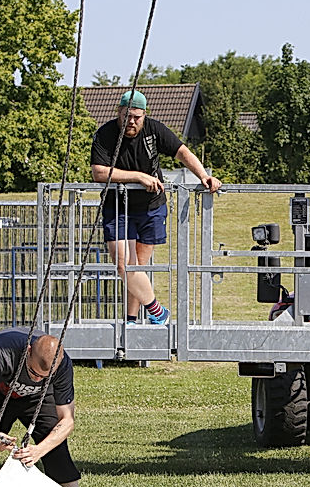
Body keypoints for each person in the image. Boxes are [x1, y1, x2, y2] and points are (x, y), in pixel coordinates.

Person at [90, 90, 222, 324]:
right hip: (117, 206)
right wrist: (139, 177)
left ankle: (131, 319)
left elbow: (182, 152)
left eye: (137, 117)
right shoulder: (105, 134)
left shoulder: (154, 130)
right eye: (126, 116)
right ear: (118, 112)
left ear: (144, 116)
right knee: (123, 264)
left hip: (150, 207)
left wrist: (204, 176)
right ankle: (158, 310)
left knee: (138, 267)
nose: (131, 121)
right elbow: (99, 173)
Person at [0, 329, 81, 487]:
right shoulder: (2, 352)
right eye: (33, 372)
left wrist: (40, 450)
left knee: (56, 449)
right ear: (29, 351)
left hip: (39, 398)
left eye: (45, 377)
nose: (37, 379)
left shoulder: (63, 365)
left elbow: (67, 420)